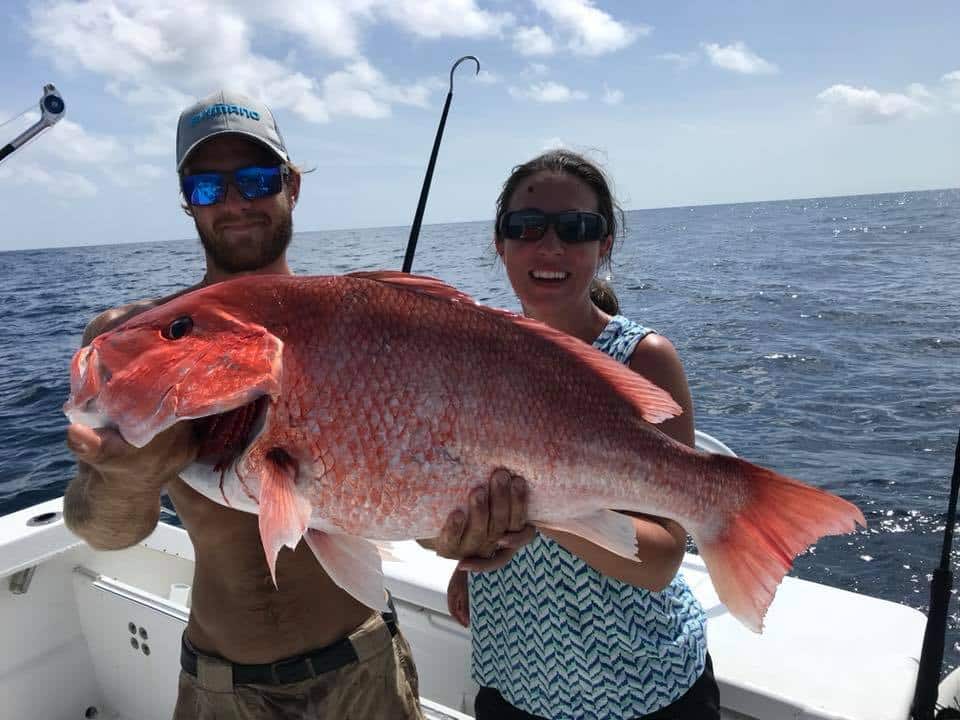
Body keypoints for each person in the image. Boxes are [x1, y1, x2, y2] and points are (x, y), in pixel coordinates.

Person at [62, 89, 532, 720]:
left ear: (292, 186)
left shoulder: (367, 327)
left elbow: (405, 506)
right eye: (209, 187)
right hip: (219, 682)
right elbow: (106, 533)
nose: (235, 203)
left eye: (256, 180)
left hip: (362, 666)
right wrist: (131, 475)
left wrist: (462, 534)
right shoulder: (135, 344)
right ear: (185, 200)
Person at [446, 149, 721, 720]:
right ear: (500, 244)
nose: (550, 246)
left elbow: (663, 559)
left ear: (605, 245)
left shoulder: (642, 358)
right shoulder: (475, 354)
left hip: (644, 688)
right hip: (511, 681)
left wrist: (542, 502)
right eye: (526, 227)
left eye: (576, 228)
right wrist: (467, 552)